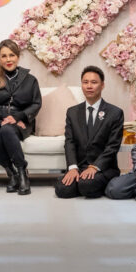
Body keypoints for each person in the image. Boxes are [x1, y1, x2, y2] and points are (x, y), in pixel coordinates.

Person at [0, 39, 42, 195]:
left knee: (7, 130)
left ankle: (22, 171)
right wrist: (5, 116)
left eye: (12, 55)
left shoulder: (30, 80)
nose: (8, 60)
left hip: (20, 121)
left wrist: (18, 117)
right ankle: (11, 173)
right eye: (4, 56)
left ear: (18, 56)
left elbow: (36, 104)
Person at [55, 66, 123, 199]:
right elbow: (69, 142)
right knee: (62, 190)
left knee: (87, 185)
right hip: (80, 167)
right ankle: (82, 184)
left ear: (102, 85)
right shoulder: (72, 112)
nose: (89, 86)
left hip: (103, 168)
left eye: (94, 82)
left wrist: (95, 167)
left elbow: (112, 147)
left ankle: (89, 184)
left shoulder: (115, 113)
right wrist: (72, 168)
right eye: (85, 82)